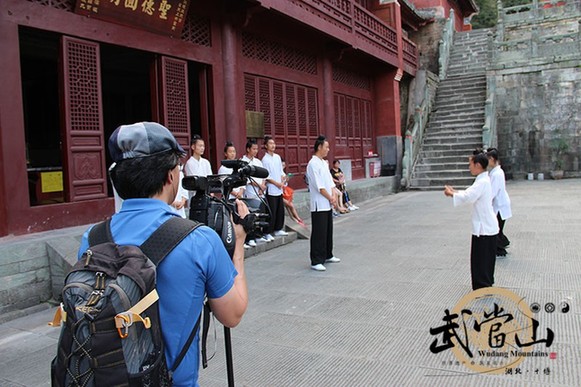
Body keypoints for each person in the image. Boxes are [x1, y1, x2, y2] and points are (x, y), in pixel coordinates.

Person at [78, 122, 249, 386]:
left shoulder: (93, 237)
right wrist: (238, 247)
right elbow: (232, 314)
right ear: (171, 176)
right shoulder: (199, 239)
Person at [444, 150, 499, 290]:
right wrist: (455, 192)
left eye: (470, 164)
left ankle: (483, 285)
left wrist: (452, 194)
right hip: (486, 226)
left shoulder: (483, 182)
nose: (469, 167)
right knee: (483, 258)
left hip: (485, 228)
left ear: (478, 165)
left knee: (481, 259)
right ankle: (485, 282)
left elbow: (469, 196)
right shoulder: (482, 180)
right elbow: (470, 192)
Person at [306, 135, 341, 271]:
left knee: (327, 230)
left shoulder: (324, 163)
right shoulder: (313, 164)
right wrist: (331, 198)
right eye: (326, 147)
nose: (328, 149)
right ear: (319, 147)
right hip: (319, 203)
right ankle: (316, 260)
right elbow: (319, 186)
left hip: (327, 202)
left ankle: (327, 254)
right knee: (319, 232)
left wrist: (333, 195)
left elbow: (330, 183)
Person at [242, 139, 270, 246]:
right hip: (250, 191)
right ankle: (251, 237)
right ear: (248, 149)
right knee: (251, 214)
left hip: (260, 191)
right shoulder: (244, 161)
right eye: (253, 149)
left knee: (260, 213)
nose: (255, 151)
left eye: (256, 149)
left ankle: (259, 234)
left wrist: (262, 186)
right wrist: (258, 185)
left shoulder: (258, 162)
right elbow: (247, 179)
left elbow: (264, 175)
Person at [261, 135, 288, 239]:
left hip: (279, 188)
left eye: (273, 143)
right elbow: (267, 176)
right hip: (271, 189)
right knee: (271, 211)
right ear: (266, 146)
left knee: (279, 210)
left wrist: (282, 179)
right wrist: (276, 183)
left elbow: (281, 171)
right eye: (270, 144)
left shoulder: (277, 157)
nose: (273, 145)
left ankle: (278, 229)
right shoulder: (265, 159)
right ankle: (268, 232)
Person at [487, 148, 512, 257]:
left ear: (492, 159)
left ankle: (500, 249)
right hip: (501, 203)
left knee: (497, 229)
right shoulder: (497, 172)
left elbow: (493, 191)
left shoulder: (496, 173)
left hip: (500, 204)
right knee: (498, 228)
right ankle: (502, 245)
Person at [281, 159, 305, 227]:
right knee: (290, 205)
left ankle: (295, 219)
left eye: (284, 165)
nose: (283, 166)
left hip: (285, 192)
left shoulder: (283, 172)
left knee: (289, 207)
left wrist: (286, 179)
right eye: (282, 165)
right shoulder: (279, 173)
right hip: (281, 193)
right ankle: (298, 218)